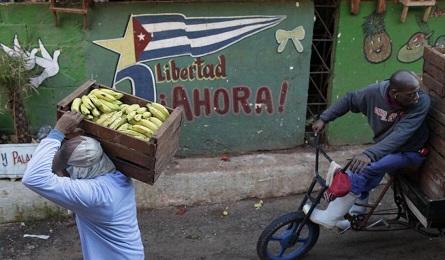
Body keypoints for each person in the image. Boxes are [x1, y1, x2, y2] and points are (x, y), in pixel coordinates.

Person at [303, 69, 430, 229]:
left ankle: (330, 217)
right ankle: (356, 215)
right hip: (388, 148)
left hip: (411, 151)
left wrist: (370, 154)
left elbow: (401, 135)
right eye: (411, 94)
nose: (416, 97)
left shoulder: (421, 102)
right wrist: (324, 117)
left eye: (417, 92)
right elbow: (350, 99)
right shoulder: (374, 93)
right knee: (359, 169)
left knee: (359, 170)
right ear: (395, 93)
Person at [22, 110, 145, 259]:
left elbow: (33, 178)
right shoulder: (119, 176)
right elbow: (71, 171)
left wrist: (58, 132)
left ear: (82, 171)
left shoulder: (95, 195)